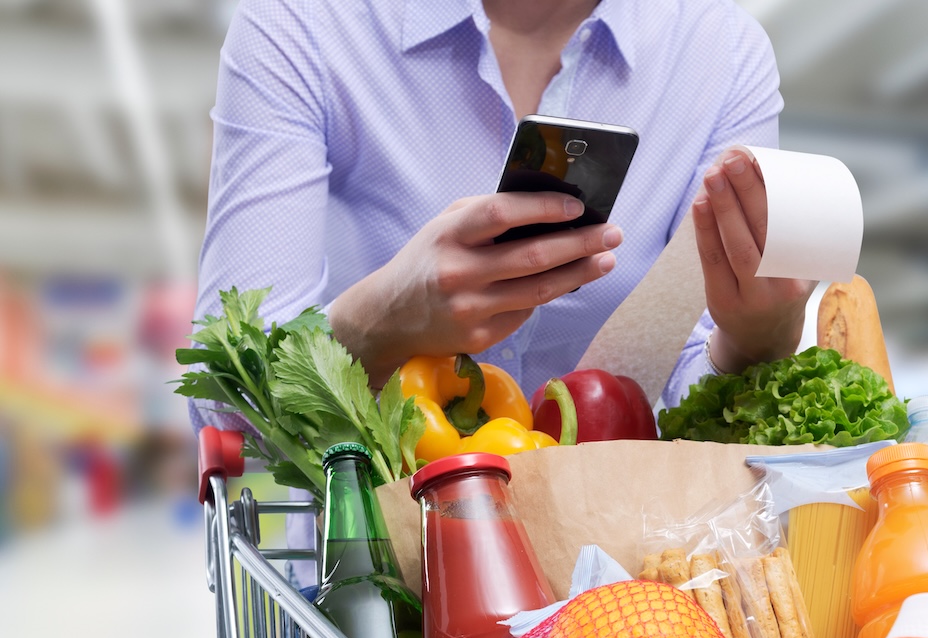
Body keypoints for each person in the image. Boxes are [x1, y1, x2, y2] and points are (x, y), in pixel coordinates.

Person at [192, 0, 817, 583]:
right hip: (372, 583)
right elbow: (227, 399)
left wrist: (750, 341)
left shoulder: (718, 52)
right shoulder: (304, 25)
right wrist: (379, 322)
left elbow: (683, 397)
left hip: (608, 578)